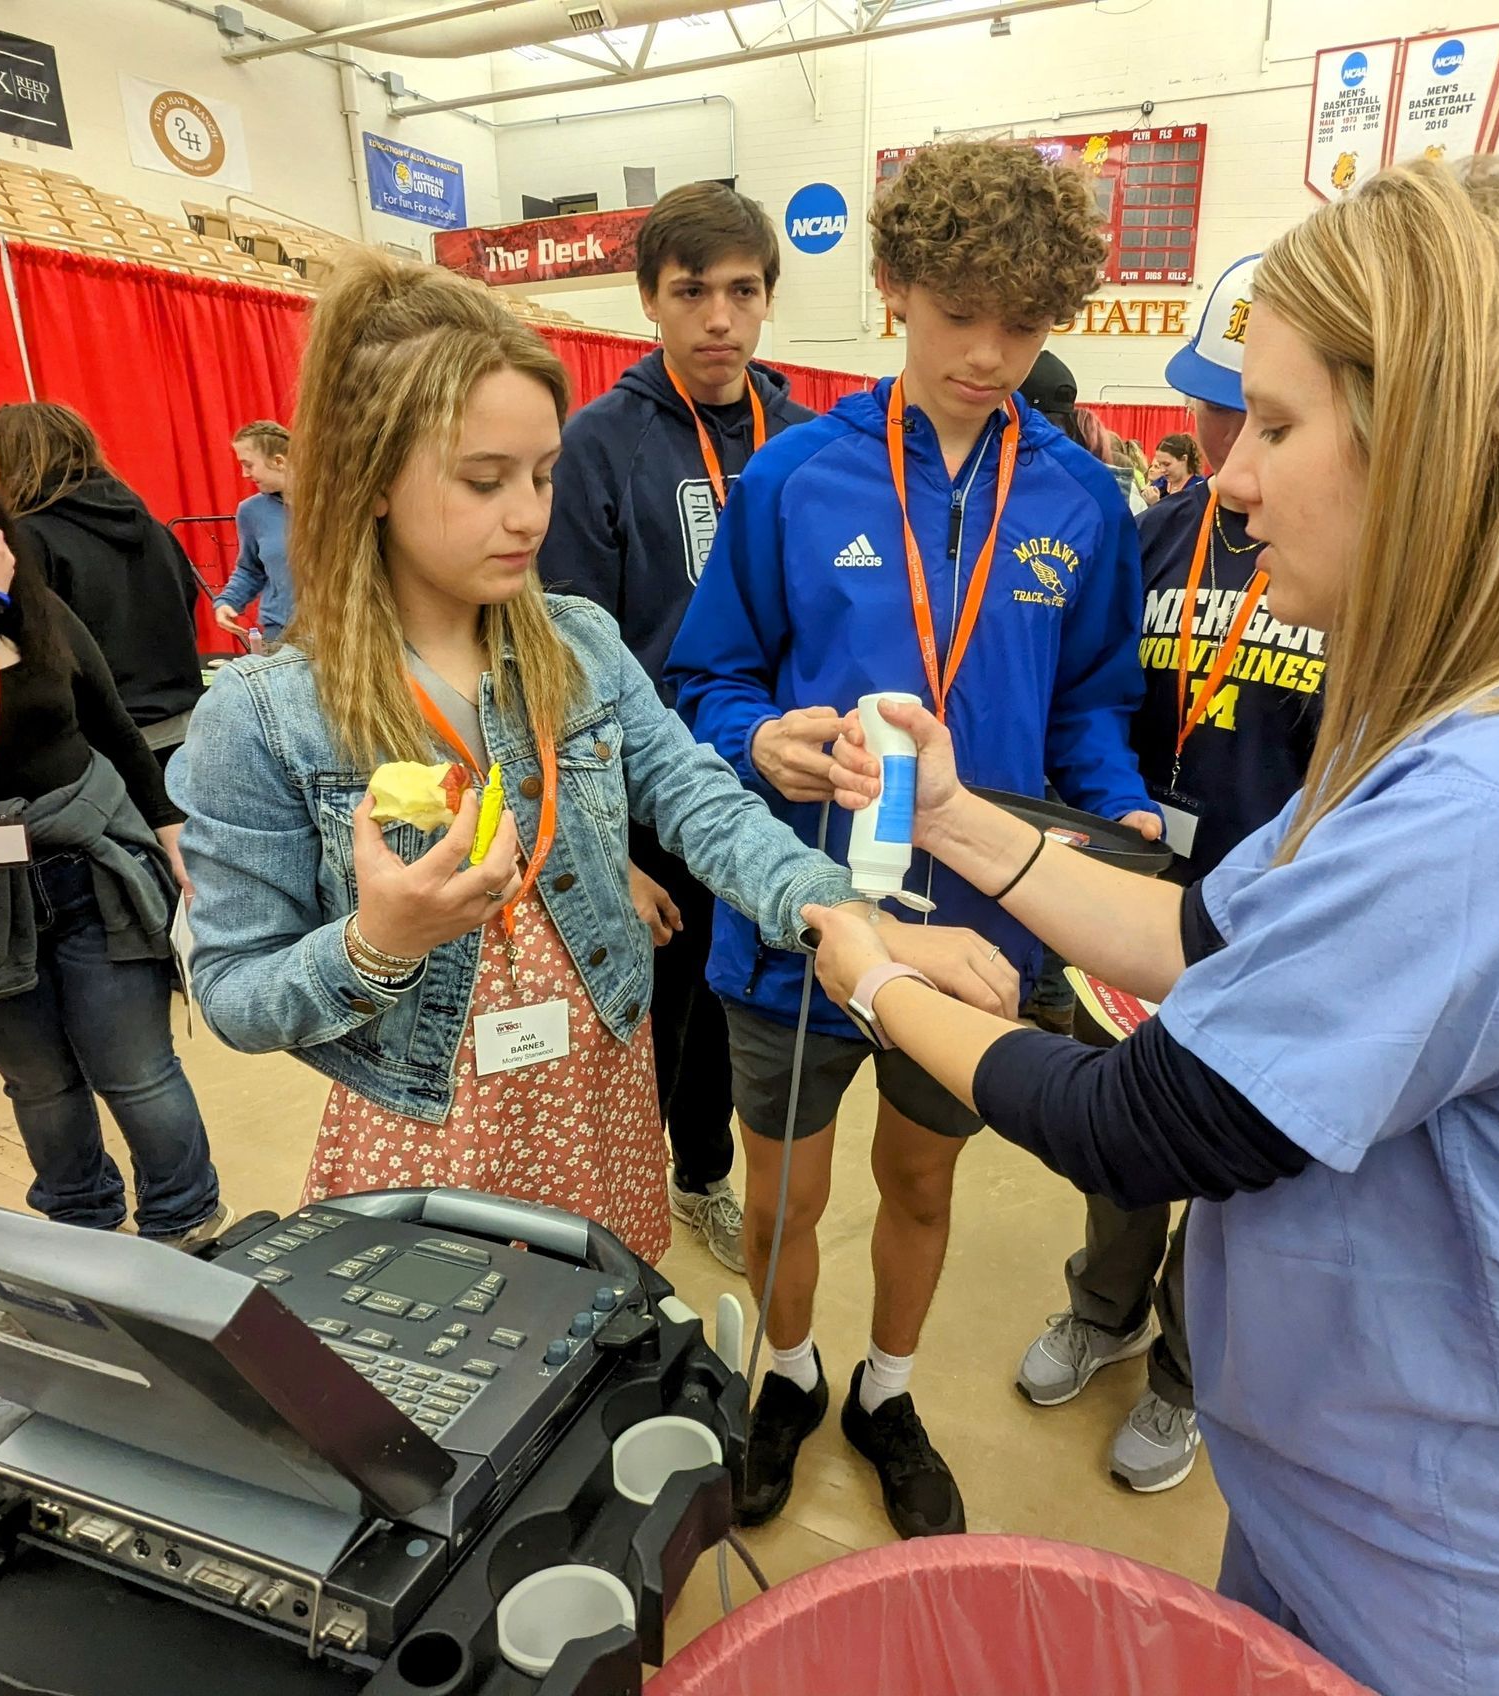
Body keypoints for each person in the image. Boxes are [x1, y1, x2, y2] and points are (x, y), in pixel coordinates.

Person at [800, 157, 1499, 1694]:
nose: (1230, 481)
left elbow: (1152, 1119)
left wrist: (870, 972)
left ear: (1447, 442)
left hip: (1498, 1592)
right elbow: (1212, 937)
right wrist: (953, 820)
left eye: (1273, 425)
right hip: (1385, 1514)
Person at [169, 253, 1011, 1267]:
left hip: (598, 1083)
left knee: (604, 1321)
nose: (530, 513)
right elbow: (234, 990)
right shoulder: (265, 717)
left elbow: (703, 804)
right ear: (370, 477)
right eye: (485, 481)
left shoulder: (580, 645)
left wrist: (847, 916)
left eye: (543, 474)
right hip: (423, 1114)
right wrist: (375, 944)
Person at [668, 138, 1160, 1543]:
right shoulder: (793, 477)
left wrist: (1117, 806)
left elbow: (1090, 711)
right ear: (893, 289)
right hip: (801, 916)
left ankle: (886, 1392)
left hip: (978, 933)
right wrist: (759, 738)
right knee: (783, 1189)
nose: (992, 355)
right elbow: (708, 681)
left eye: (1027, 324)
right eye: (961, 315)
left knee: (923, 1176)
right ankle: (790, 1375)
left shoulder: (1078, 500)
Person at [1016, 252, 1325, 1495]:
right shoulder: (1150, 537)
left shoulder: (1345, 560)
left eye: (1265, 416)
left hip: (1272, 919)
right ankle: (1104, 1306)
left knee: (1231, 1165)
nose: (1229, 439)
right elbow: (1092, 704)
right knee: (1123, 1122)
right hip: (1138, 898)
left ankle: (1189, 1375)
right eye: (1215, 403)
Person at [540, 183, 816, 1274]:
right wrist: (605, 845)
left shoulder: (809, 443)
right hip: (646, 794)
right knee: (638, 1021)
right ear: (648, 299)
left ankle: (700, 1177)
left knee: (730, 1015)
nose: (719, 319)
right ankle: (609, 1221)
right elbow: (564, 655)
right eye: (691, 292)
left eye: (742, 291)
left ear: (769, 298)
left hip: (770, 790)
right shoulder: (598, 444)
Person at [0, 421, 223, 1244]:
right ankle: (80, 1234)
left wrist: (168, 829)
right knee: (41, 1086)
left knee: (137, 1071)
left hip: (88, 865)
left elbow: (111, 724)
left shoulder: (33, 606)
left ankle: (187, 1224)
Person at [0, 402, 203, 738]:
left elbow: (32, 650)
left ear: (10, 459)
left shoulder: (27, 539)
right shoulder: (152, 527)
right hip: (185, 724)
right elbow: (186, 610)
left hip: (105, 737)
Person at [213, 420, 295, 650]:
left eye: (248, 465)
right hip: (281, 635)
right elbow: (250, 569)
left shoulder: (335, 503)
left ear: (278, 461)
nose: (244, 474)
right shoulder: (251, 511)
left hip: (343, 632)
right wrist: (228, 601)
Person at [1141, 431, 1201, 507]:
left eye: (1167, 464)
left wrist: (1156, 505)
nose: (1162, 470)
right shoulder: (1160, 483)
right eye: (1160, 464)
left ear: (1184, 459)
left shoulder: (1198, 489)